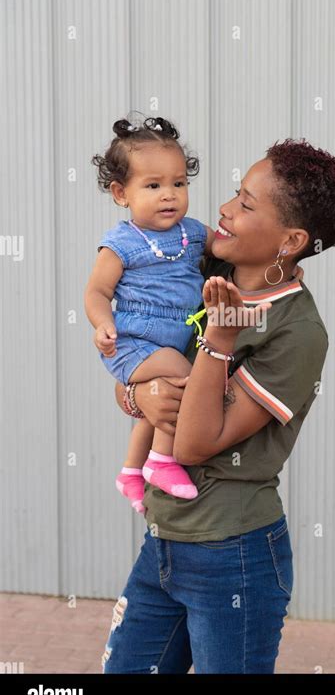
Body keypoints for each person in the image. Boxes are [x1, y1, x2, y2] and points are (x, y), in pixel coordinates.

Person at [101, 138, 335, 674]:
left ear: (290, 240)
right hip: (165, 539)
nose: (223, 209)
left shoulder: (296, 331)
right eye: (233, 194)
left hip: (233, 555)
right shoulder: (198, 271)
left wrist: (217, 340)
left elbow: (195, 443)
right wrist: (138, 392)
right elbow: (131, 371)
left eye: (246, 203)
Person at [85, 114, 216, 507]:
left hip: (172, 340)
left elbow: (228, 247)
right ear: (121, 193)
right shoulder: (121, 242)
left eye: (179, 183)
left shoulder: (192, 232)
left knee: (157, 405)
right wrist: (102, 323)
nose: (169, 195)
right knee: (184, 377)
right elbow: (96, 291)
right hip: (132, 342)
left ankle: (130, 470)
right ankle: (160, 460)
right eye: (154, 185)